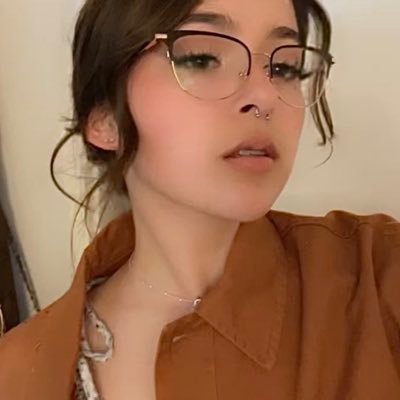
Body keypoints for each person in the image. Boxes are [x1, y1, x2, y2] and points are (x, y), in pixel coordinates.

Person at [0, 0, 399, 399]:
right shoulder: (19, 376)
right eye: (203, 58)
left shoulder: (377, 279)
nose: (265, 96)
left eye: (284, 68)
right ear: (105, 118)